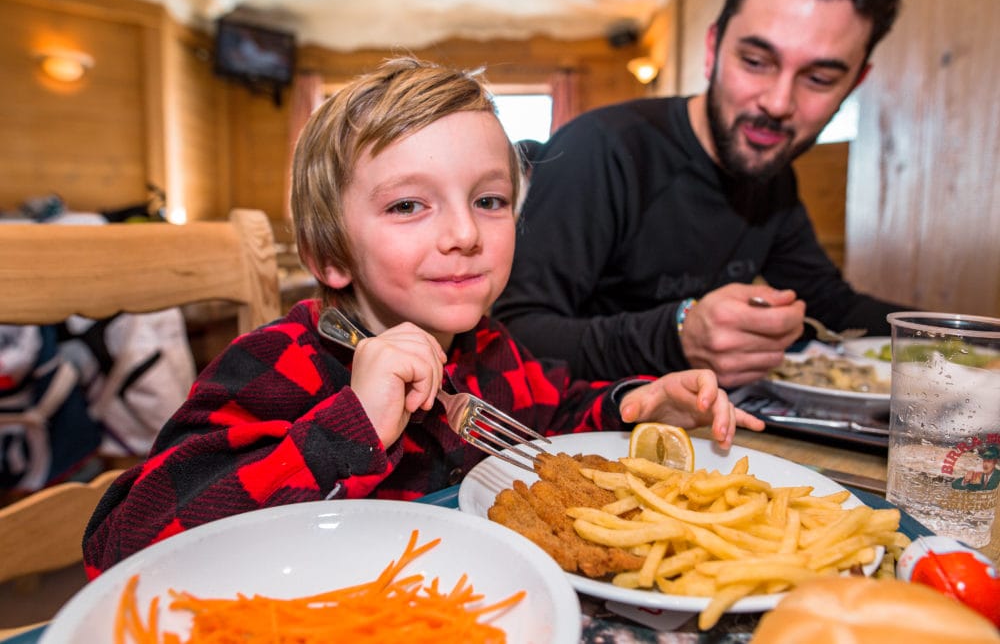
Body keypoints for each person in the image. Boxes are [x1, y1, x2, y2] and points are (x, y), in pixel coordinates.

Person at [82, 58, 764, 575]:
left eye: (490, 200)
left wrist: (637, 402)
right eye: (409, 205)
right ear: (329, 252)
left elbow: (553, 418)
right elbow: (121, 543)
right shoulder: (278, 363)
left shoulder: (490, 349)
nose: (465, 232)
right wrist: (349, 427)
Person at [493, 0, 908, 388]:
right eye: (755, 62)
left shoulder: (773, 178)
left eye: (819, 79)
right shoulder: (600, 148)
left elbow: (831, 306)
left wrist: (955, 338)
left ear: (854, 84)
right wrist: (676, 333)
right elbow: (515, 333)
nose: (778, 104)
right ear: (712, 50)